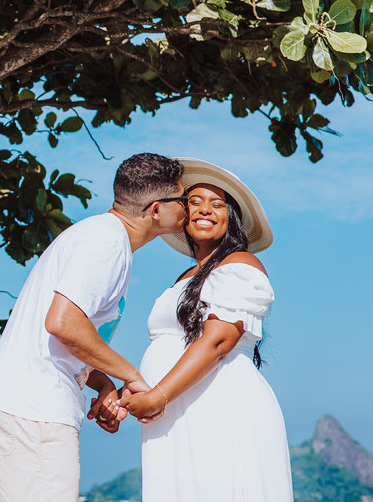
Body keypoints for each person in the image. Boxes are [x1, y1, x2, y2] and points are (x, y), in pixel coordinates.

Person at [0, 153, 189, 502]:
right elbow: (62, 324)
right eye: (183, 200)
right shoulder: (106, 243)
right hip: (34, 404)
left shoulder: (102, 237)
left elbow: (68, 334)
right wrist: (131, 377)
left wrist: (101, 382)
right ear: (156, 209)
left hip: (30, 401)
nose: (188, 208)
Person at [120, 158, 293, 502]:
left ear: (231, 217)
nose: (204, 210)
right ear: (182, 214)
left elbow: (217, 341)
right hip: (175, 409)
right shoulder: (184, 280)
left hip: (219, 405)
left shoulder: (240, 265)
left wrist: (157, 396)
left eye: (217, 204)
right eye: (194, 202)